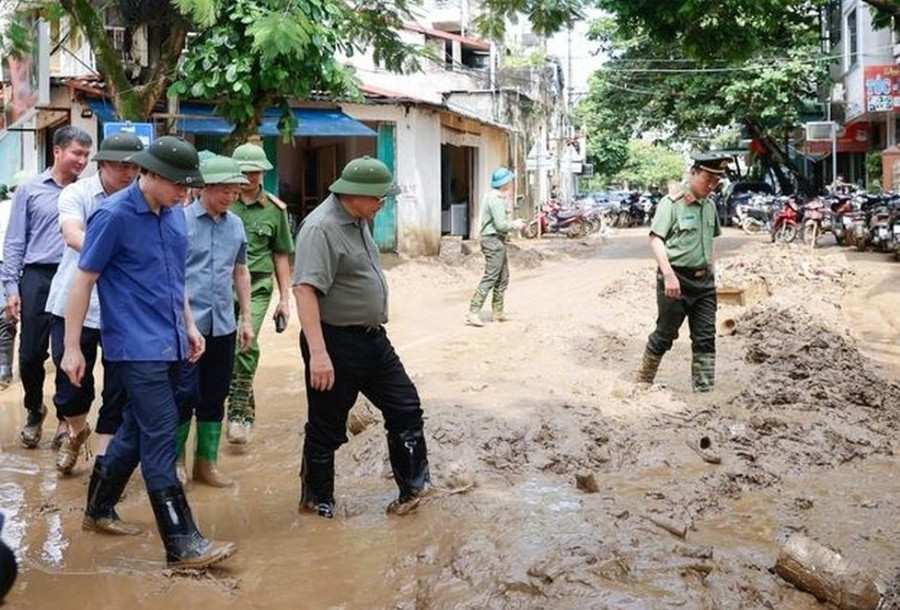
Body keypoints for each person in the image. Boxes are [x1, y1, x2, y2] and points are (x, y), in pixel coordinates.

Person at [61, 135, 235, 569]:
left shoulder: (174, 218)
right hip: (134, 348)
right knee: (159, 436)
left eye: (188, 186)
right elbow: (83, 281)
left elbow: (175, 282)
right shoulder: (113, 216)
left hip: (173, 342)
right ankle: (182, 542)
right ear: (150, 174)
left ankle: (98, 510)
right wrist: (70, 349)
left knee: (138, 430)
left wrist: (191, 327)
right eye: (178, 184)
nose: (185, 193)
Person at [292, 156, 431, 518]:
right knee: (327, 427)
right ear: (355, 194)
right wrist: (319, 355)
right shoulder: (320, 229)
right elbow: (305, 290)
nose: (384, 204)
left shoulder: (358, 220)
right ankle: (316, 501)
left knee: (405, 406)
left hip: (372, 339)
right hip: (334, 342)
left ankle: (414, 488)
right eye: (380, 198)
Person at [46, 133, 143, 475]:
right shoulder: (78, 193)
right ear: (103, 164)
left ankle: (104, 463)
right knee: (71, 385)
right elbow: (72, 235)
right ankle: (76, 429)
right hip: (75, 305)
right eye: (121, 166)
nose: (129, 173)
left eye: (135, 166)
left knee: (119, 388)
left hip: (122, 310)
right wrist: (119, 250)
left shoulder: (142, 200)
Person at [3, 126, 93, 449]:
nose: (82, 161)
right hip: (37, 277)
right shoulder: (30, 190)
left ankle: (63, 419)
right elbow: (14, 241)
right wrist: (10, 287)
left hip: (73, 276)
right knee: (29, 355)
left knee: (66, 351)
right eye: (76, 153)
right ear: (57, 151)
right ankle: (33, 407)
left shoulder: (87, 193)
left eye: (86, 155)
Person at [175, 155, 254, 487]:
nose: (231, 197)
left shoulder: (235, 225)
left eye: (236, 192)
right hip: (184, 325)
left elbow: (240, 270)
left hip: (223, 323)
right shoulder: (178, 221)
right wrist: (187, 322)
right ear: (203, 188)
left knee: (215, 393)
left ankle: (206, 464)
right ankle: (174, 463)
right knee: (183, 393)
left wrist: (247, 318)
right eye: (225, 191)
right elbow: (173, 277)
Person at [635, 153, 730, 393]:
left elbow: (711, 241)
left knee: (706, 337)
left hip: (704, 282)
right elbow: (656, 239)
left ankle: (704, 391)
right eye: (707, 178)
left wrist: (712, 268)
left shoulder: (710, 206)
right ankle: (643, 381)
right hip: (675, 279)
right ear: (693, 173)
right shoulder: (672, 203)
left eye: (716, 181)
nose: (711, 185)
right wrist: (668, 275)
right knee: (665, 334)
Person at [226, 142, 294, 445]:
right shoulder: (223, 203)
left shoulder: (275, 210)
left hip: (259, 285)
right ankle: (236, 404)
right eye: (246, 172)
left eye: (257, 172)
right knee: (222, 348)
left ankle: (239, 412)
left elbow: (281, 255)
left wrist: (284, 299)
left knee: (246, 341)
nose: (252, 178)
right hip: (220, 286)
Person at [465, 166, 525, 327]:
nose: (512, 183)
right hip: (493, 240)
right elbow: (501, 224)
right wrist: (515, 224)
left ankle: (497, 312)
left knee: (503, 276)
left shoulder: (492, 196)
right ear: (506, 183)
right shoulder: (497, 199)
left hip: (496, 240)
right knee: (491, 276)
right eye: (510, 180)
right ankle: (473, 311)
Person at [0, 171, 32, 388]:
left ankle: (5, 369)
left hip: (14, 266)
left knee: (6, 317)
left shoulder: (13, 207)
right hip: (11, 266)